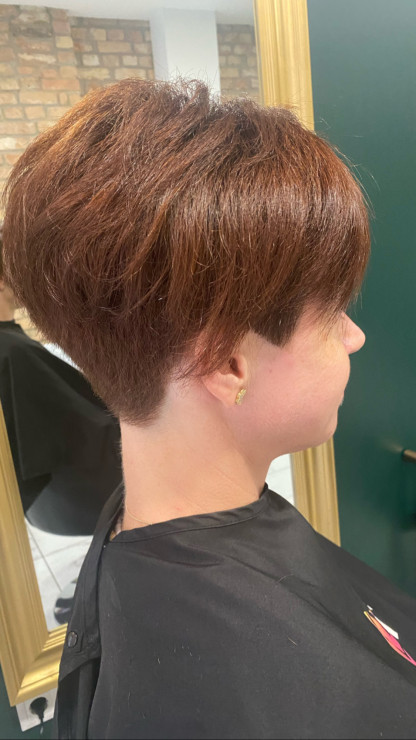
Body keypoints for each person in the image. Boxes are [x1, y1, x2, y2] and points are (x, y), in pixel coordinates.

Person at [2, 78, 416, 739]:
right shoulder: (256, 703)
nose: (354, 336)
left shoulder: (134, 525)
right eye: (334, 312)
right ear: (228, 364)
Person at [0, 225, 122, 535]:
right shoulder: (12, 352)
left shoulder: (12, 347)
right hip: (86, 498)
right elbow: (84, 428)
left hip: (49, 510)